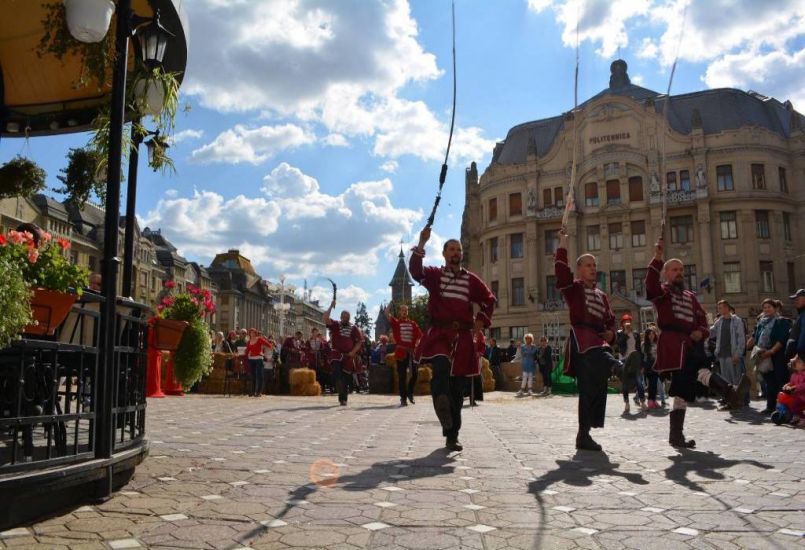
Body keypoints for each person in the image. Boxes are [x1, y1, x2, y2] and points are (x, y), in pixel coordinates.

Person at [646, 238, 749, 448]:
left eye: (681, 270)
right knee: (695, 371)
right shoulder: (662, 293)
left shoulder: (691, 296)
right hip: (674, 344)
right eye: (674, 269)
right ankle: (728, 392)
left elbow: (703, 320)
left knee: (685, 387)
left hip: (691, 343)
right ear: (666, 273)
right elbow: (649, 286)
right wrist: (657, 258)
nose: (679, 273)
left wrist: (699, 332)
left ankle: (676, 436)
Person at [409, 226, 495, 452]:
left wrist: (481, 320)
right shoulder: (436, 276)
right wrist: (421, 243)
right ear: (445, 254)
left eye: (459, 249)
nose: (456, 252)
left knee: (458, 390)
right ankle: (441, 403)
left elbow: (489, 299)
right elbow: (416, 272)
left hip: (464, 336)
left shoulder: (470, 280)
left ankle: (451, 435)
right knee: (440, 368)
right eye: (452, 249)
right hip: (440, 333)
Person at [555, 230, 622, 451]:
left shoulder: (602, 296)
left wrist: (611, 333)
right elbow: (561, 274)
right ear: (579, 269)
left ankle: (583, 435)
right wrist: (563, 245)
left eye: (594, 265)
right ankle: (618, 367)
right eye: (587, 265)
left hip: (599, 340)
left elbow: (610, 320)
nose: (593, 268)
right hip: (582, 340)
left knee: (591, 389)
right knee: (598, 362)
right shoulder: (573, 289)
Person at [749, 299, 792, 415]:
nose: (766, 309)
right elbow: (755, 338)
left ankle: (783, 407)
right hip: (764, 357)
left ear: (775, 308)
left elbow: (782, 339)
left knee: (780, 381)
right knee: (769, 383)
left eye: (769, 307)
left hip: (777, 356)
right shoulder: (761, 323)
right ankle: (770, 406)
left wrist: (771, 351)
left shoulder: (781, 321)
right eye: (764, 307)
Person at [323, 302, 364, 406]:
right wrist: (331, 306)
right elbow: (325, 318)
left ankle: (343, 398)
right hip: (336, 354)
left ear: (349, 318)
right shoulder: (336, 325)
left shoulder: (353, 328)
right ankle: (340, 391)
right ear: (341, 317)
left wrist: (353, 352)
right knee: (337, 374)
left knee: (345, 378)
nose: (345, 318)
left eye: (347, 317)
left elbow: (360, 341)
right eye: (344, 316)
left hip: (348, 356)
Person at [385, 302, 423, 406]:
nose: (404, 312)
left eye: (406, 310)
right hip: (401, 352)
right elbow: (386, 313)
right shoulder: (396, 323)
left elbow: (420, 336)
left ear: (407, 312)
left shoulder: (413, 324)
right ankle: (403, 398)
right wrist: (390, 303)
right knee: (402, 376)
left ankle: (410, 393)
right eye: (402, 310)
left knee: (414, 374)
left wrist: (417, 344)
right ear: (400, 312)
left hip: (411, 352)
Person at [710, 300, 746, 406]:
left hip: (733, 354)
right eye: (718, 308)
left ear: (726, 308)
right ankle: (728, 399)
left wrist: (738, 354)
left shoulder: (737, 320)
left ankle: (738, 400)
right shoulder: (719, 321)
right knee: (725, 380)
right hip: (722, 354)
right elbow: (711, 332)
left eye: (720, 308)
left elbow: (741, 338)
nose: (719, 310)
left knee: (735, 378)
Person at [616, 314, 645, 413]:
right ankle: (627, 404)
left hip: (635, 360)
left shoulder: (636, 334)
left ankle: (642, 402)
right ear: (622, 324)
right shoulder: (620, 333)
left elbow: (639, 349)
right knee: (625, 382)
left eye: (628, 321)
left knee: (639, 382)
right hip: (624, 359)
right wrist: (625, 333)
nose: (627, 323)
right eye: (625, 321)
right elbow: (619, 344)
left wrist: (642, 364)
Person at [245, 328, 271, 397]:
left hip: (259, 358)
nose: (252, 334)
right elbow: (247, 351)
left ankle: (259, 392)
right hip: (251, 359)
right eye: (251, 332)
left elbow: (268, 344)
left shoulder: (259, 339)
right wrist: (245, 356)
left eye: (253, 332)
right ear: (249, 334)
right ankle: (253, 391)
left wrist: (266, 350)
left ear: (255, 333)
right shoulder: (249, 342)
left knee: (259, 375)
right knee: (252, 375)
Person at [781, 356, 805, 426]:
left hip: (803, 396)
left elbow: (803, 385)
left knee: (795, 405)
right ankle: (796, 416)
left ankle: (803, 418)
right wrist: (787, 386)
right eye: (799, 362)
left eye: (802, 362)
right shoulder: (793, 375)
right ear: (794, 367)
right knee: (790, 403)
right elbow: (791, 383)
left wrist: (795, 387)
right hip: (797, 395)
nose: (803, 363)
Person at [642, 327, 662, 409]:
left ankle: (653, 400)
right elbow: (642, 357)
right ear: (647, 335)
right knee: (651, 384)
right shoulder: (644, 344)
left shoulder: (657, 343)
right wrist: (642, 367)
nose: (651, 335)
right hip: (648, 366)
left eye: (653, 334)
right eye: (649, 334)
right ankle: (650, 401)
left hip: (656, 365)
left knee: (654, 384)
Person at [786, 289, 805, 363]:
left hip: (801, 356)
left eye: (798, 299)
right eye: (795, 299)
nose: (795, 301)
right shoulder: (801, 314)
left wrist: (799, 354)